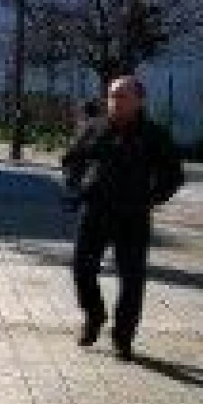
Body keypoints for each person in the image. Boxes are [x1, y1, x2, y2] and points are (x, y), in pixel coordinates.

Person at [61, 75, 183, 360]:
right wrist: (78, 186)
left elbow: (173, 176)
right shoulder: (94, 129)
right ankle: (94, 316)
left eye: (122, 96)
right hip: (95, 211)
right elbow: (71, 161)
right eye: (112, 96)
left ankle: (123, 336)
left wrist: (151, 198)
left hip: (133, 217)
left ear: (139, 100)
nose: (114, 101)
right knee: (82, 269)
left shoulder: (154, 135)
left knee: (132, 278)